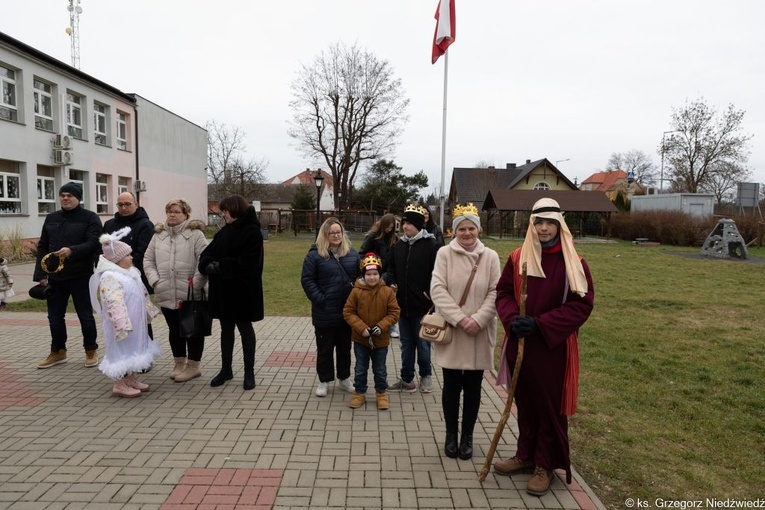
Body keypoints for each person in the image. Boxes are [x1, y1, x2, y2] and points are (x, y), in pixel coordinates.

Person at [493, 197, 595, 497]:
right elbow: (503, 293)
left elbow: (581, 305)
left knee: (548, 406)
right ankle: (525, 454)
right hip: (520, 344)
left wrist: (540, 324)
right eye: (539, 222)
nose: (544, 228)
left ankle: (545, 464)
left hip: (552, 348)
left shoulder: (574, 263)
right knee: (525, 402)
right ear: (531, 225)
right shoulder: (517, 258)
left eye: (550, 222)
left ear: (560, 225)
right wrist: (513, 319)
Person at [430, 203, 500, 460]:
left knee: (473, 387)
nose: (467, 233)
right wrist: (461, 319)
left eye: (471, 228)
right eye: (462, 228)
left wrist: (479, 319)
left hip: (479, 332)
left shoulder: (490, 256)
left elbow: (496, 291)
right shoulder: (444, 254)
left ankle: (467, 435)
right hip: (454, 329)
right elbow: (438, 290)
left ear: (478, 230)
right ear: (454, 231)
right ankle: (450, 434)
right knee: (450, 386)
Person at [199, 195, 264, 391]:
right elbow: (207, 253)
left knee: (245, 329)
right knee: (226, 329)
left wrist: (220, 266)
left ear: (234, 209)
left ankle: (249, 372)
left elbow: (250, 263)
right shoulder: (224, 232)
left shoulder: (252, 232)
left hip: (243, 291)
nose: (223, 214)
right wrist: (208, 264)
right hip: (223, 292)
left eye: (225, 211)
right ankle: (226, 369)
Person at [34, 182, 102, 369]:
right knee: (54, 317)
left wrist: (72, 250)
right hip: (55, 278)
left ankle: (91, 350)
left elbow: (94, 243)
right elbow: (43, 246)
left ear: (78, 198)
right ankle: (58, 351)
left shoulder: (90, 217)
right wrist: (41, 274)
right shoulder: (51, 218)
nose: (65, 198)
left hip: (81, 276)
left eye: (69, 195)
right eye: (62, 195)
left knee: (85, 316)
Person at [89, 227, 162, 397]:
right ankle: (119, 384)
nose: (131, 257)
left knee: (134, 349)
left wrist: (148, 311)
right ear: (117, 259)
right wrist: (120, 324)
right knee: (121, 350)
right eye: (127, 255)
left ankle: (130, 378)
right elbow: (114, 301)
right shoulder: (110, 276)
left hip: (136, 321)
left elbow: (142, 293)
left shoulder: (130, 273)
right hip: (121, 323)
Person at [143, 198, 208, 382]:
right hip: (165, 290)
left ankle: (193, 366)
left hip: (189, 292)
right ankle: (179, 363)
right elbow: (148, 260)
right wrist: (155, 281)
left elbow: (204, 260)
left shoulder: (195, 235)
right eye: (169, 211)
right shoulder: (158, 235)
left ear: (186, 214)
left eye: (177, 211)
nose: (172, 214)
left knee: (192, 330)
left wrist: (196, 283)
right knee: (174, 329)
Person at [301, 217, 359, 397]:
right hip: (325, 311)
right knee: (325, 349)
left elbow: (359, 276)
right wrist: (320, 299)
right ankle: (324, 380)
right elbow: (307, 280)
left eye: (338, 232)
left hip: (346, 311)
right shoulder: (314, 255)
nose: (336, 235)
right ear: (325, 235)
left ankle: (344, 378)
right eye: (332, 232)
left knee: (344, 348)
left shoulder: (351, 254)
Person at [385, 204, 440, 393]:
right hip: (402, 304)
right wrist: (391, 281)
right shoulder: (398, 246)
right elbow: (391, 269)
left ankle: (426, 376)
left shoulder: (432, 245)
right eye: (404, 222)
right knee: (406, 344)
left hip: (422, 305)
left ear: (418, 225)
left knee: (423, 344)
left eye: (408, 223)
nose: (404, 226)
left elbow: (438, 274)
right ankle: (407, 378)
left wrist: (428, 294)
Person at [343, 253, 400, 410]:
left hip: (380, 339)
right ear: (364, 275)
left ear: (380, 275)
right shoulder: (356, 291)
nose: (372, 277)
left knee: (380, 369)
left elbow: (394, 312)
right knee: (360, 368)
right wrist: (361, 328)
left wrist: (381, 326)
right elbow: (348, 312)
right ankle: (359, 393)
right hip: (361, 339)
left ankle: (381, 393)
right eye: (368, 274)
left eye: (375, 274)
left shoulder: (387, 292)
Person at [360, 213, 400, 337]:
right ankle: (371, 325)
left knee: (390, 302)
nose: (389, 229)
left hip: (389, 273)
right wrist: (372, 261)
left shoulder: (394, 239)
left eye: (391, 227)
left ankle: (391, 327)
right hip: (376, 272)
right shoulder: (373, 237)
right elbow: (362, 253)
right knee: (375, 301)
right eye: (387, 227)